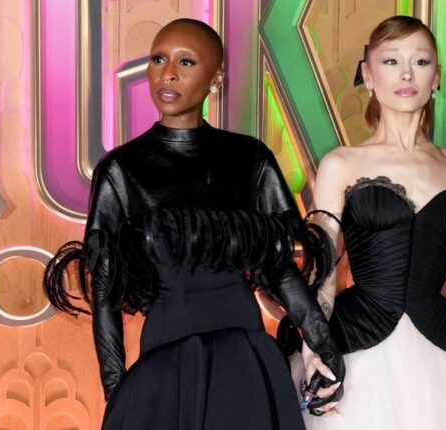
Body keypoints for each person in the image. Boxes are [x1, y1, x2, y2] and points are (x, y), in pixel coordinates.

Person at [43, 18, 343, 429]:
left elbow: (279, 269)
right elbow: (105, 294)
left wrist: (323, 343)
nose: (167, 73)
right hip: (167, 361)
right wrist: (118, 392)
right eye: (158, 59)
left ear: (215, 77)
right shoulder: (122, 168)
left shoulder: (249, 158)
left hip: (247, 359)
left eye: (186, 62)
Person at [300, 15, 446, 428]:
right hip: (360, 340)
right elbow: (325, 266)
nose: (406, 74)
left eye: (420, 62)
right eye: (391, 61)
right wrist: (315, 342)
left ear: (436, 77)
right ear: (368, 75)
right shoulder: (341, 163)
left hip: (442, 345)